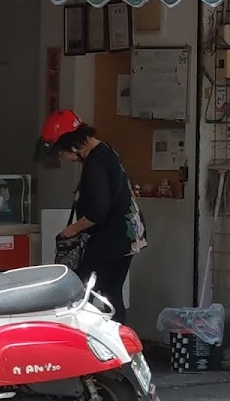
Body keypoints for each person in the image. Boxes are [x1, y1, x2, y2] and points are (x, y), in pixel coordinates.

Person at [39, 109, 147, 324]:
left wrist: (73, 229)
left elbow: (98, 210)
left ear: (71, 144)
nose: (63, 157)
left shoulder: (95, 164)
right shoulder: (106, 150)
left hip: (110, 239)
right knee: (111, 291)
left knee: (86, 292)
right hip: (128, 235)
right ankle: (121, 344)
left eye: (61, 152)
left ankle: (98, 344)